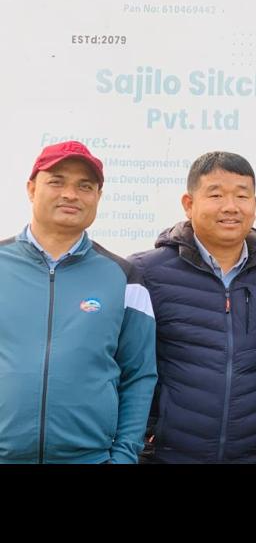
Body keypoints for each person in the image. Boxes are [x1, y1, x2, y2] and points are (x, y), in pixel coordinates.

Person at [130, 151, 256, 463]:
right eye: (216, 194)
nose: (230, 206)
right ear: (189, 203)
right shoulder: (145, 273)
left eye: (242, 196)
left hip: (249, 454)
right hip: (163, 454)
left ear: (255, 205)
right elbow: (124, 365)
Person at [0, 141, 156, 463]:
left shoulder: (125, 277)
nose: (71, 194)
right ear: (31, 189)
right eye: (57, 182)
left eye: (85, 186)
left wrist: (124, 456)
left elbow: (139, 375)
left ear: (98, 196)